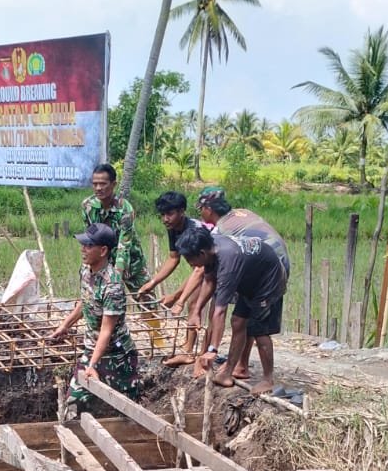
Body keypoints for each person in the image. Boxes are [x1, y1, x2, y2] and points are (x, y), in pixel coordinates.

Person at [176, 221, 289, 396]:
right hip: (250, 279)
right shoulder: (211, 248)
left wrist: (212, 350)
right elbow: (208, 280)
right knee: (237, 322)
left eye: (190, 259)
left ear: (202, 253)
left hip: (268, 281)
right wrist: (196, 311)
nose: (190, 264)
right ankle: (227, 372)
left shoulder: (227, 262)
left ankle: (268, 379)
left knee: (258, 329)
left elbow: (219, 311)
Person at [46, 223, 140, 406]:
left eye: (89, 245)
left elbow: (106, 331)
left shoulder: (112, 286)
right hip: (92, 349)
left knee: (127, 407)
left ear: (103, 250)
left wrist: (92, 365)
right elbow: (86, 301)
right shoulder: (86, 271)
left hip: (117, 355)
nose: (83, 249)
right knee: (73, 404)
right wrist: (65, 325)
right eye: (83, 244)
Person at [139, 192, 212, 368]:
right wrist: (153, 282)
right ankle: (190, 350)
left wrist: (178, 299)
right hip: (203, 268)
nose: (165, 219)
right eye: (162, 215)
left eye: (169, 214)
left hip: (213, 267)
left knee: (199, 306)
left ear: (182, 211)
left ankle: (198, 354)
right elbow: (173, 258)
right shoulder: (173, 228)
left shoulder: (194, 230)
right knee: (194, 305)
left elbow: (199, 269)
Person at [82, 163, 147, 292]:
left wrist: (116, 275)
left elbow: (124, 245)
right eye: (95, 184)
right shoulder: (88, 206)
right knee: (93, 300)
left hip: (130, 260)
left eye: (103, 184)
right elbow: (91, 238)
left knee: (146, 299)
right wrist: (89, 265)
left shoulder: (124, 209)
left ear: (113, 185)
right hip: (101, 259)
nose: (98, 188)